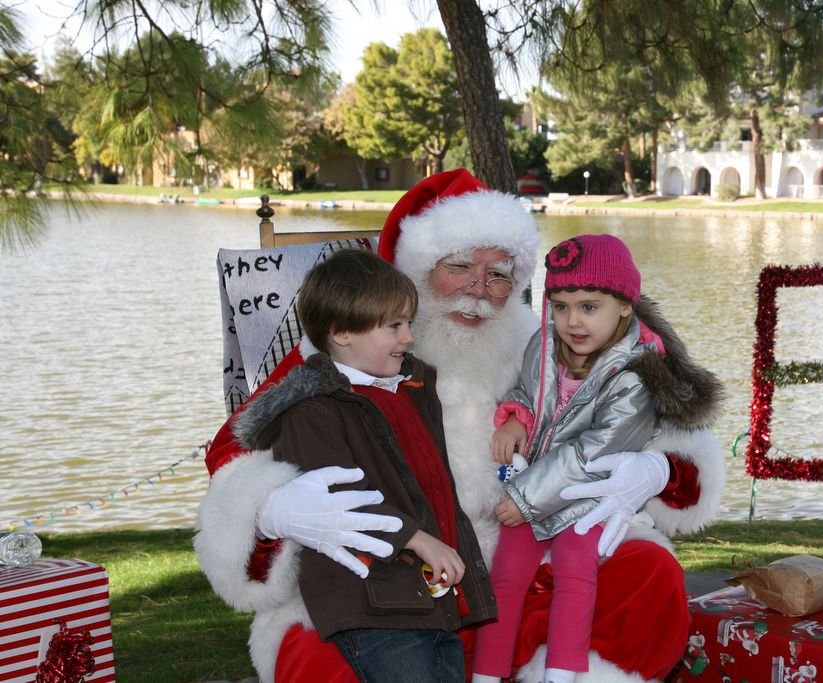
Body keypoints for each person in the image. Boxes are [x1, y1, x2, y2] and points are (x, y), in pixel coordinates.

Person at [195, 168, 727, 683]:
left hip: (524, 548)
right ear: (415, 269)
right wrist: (272, 508)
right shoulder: (343, 349)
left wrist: (655, 469)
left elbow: (665, 423)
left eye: (499, 274)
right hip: (387, 570)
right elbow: (231, 451)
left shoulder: (549, 342)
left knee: (648, 576)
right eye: (459, 266)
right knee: (320, 658)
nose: (478, 289)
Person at [227, 249, 495, 682]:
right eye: (394, 326)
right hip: (371, 600)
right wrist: (418, 539)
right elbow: (336, 502)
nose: (408, 337)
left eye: (408, 323)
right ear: (342, 331)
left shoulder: (410, 389)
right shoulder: (312, 410)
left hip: (426, 595)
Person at [472, 234, 722, 683]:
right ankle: (486, 674)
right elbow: (530, 391)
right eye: (562, 305)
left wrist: (525, 498)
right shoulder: (544, 346)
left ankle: (562, 674)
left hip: (590, 494)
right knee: (506, 576)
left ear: (624, 305)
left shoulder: (636, 373)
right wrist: (516, 417)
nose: (573, 321)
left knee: (575, 570)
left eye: (589, 307)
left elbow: (596, 450)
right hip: (540, 487)